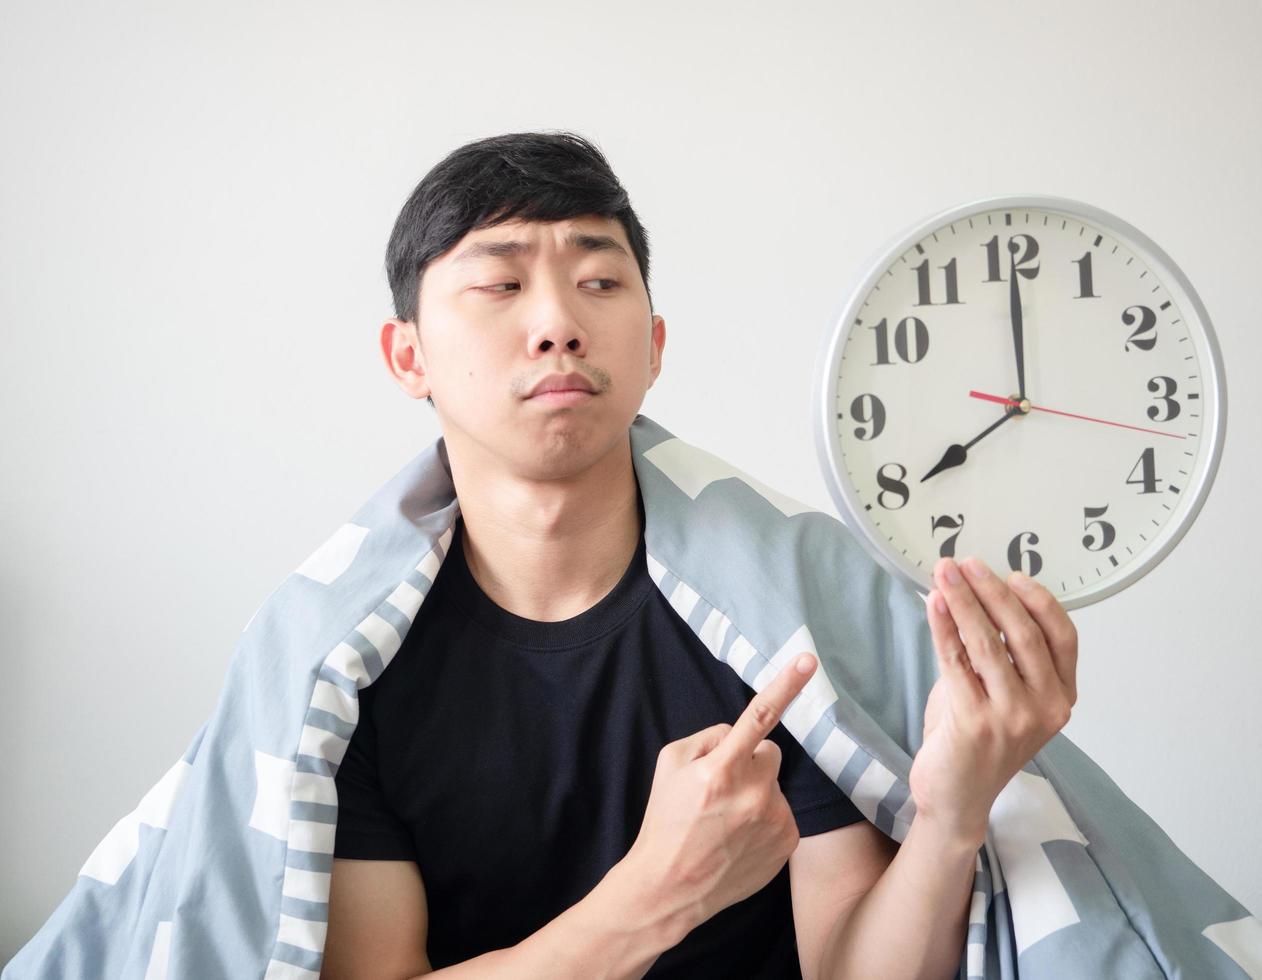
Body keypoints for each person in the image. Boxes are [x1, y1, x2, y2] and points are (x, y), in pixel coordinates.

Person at [319, 131, 1079, 980]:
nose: (558, 325)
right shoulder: (345, 667)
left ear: (653, 347)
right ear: (408, 356)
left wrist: (952, 814)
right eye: (501, 284)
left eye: (599, 282)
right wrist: (656, 892)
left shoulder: (780, 609)